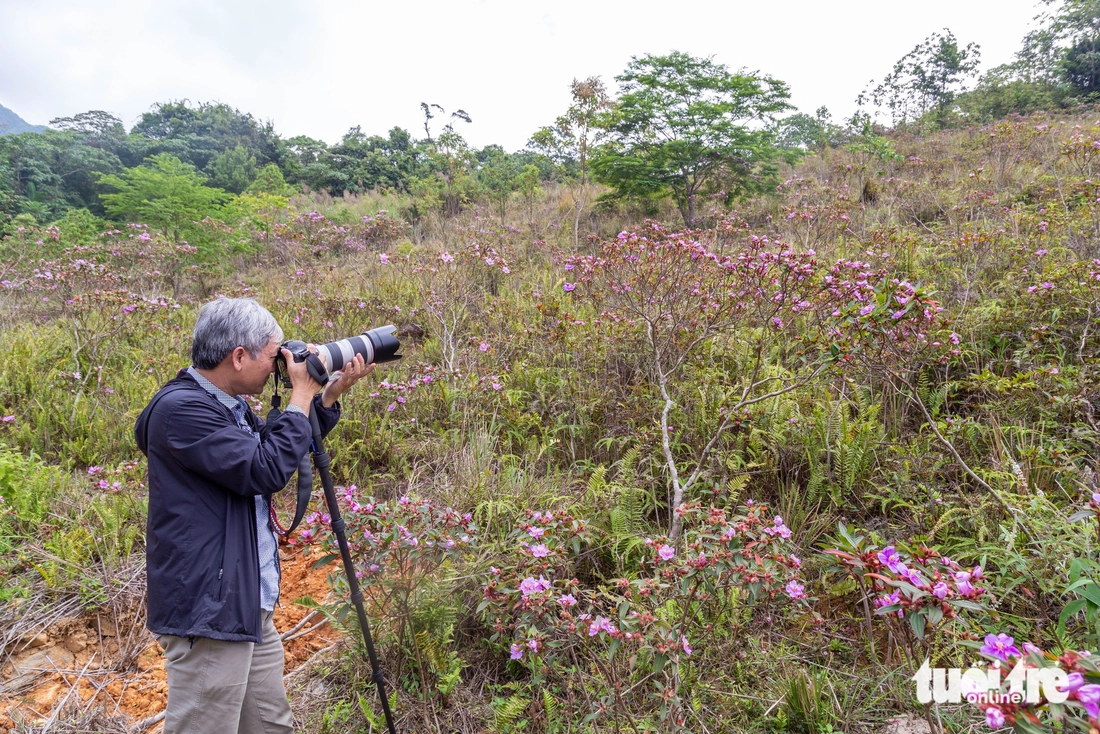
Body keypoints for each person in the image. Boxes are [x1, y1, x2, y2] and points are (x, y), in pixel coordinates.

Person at [135, 297, 372, 734]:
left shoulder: (227, 404)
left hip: (246, 601)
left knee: (269, 725)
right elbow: (263, 470)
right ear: (238, 357)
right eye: (273, 354)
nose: (280, 364)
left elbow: (276, 449)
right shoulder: (182, 411)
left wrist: (327, 396)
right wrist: (302, 392)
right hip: (210, 609)